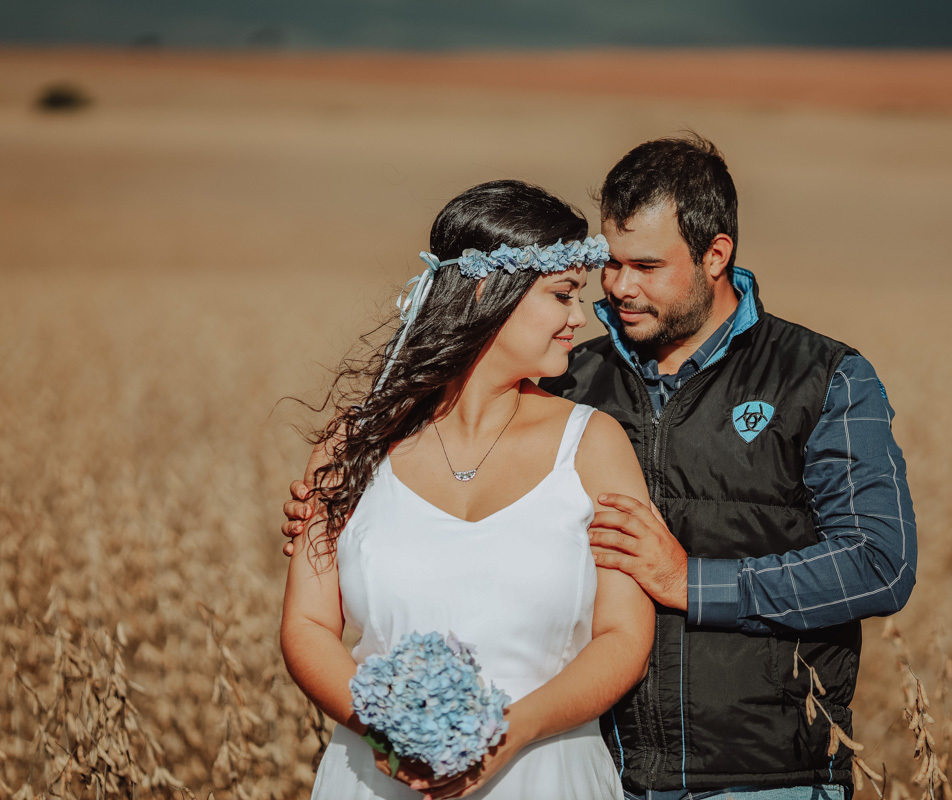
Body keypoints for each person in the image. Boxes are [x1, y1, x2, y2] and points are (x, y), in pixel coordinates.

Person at [283, 135, 918, 799]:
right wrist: (335, 509)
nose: (614, 289)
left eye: (644, 265)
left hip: (760, 774)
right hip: (616, 767)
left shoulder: (820, 379)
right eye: (607, 266)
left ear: (715, 256)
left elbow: (881, 562)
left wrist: (691, 582)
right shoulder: (571, 381)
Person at [280, 179, 655, 800]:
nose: (578, 318)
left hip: (546, 775)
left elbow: (624, 637)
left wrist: (511, 732)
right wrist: (387, 735)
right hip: (377, 779)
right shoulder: (351, 445)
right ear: (488, 292)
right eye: (563, 295)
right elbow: (308, 626)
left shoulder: (595, 445)